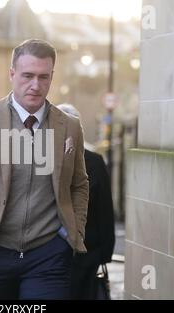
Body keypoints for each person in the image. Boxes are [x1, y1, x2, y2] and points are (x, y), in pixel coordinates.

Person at [0, 39, 89, 300]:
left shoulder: (70, 126)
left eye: (44, 77)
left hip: (49, 255)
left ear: (52, 77)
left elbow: (79, 184)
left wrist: (72, 235)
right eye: (27, 75)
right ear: (12, 74)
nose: (35, 85)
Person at [56, 104, 115, 300]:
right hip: (49, 251)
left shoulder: (95, 161)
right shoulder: (42, 159)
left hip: (86, 252)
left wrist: (104, 253)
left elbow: (104, 208)